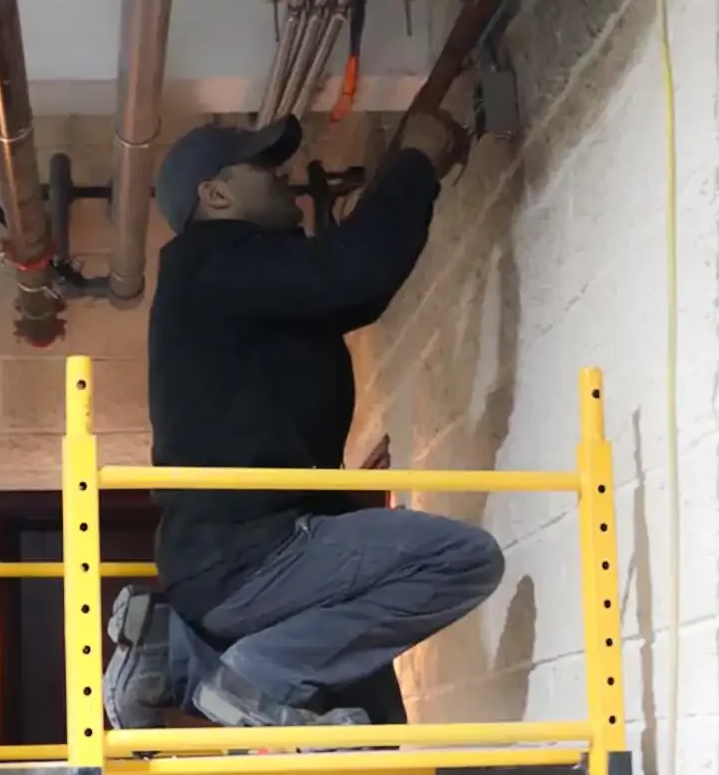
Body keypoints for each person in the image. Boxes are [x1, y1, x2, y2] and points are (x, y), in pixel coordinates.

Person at [103, 110, 504, 733]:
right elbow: (352, 275)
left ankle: (172, 650)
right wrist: (416, 163)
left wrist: (402, 187)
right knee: (463, 559)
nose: (281, 176)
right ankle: (251, 675)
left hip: (226, 558)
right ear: (216, 194)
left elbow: (349, 285)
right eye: (262, 166)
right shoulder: (217, 263)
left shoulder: (221, 279)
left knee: (377, 734)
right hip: (255, 551)